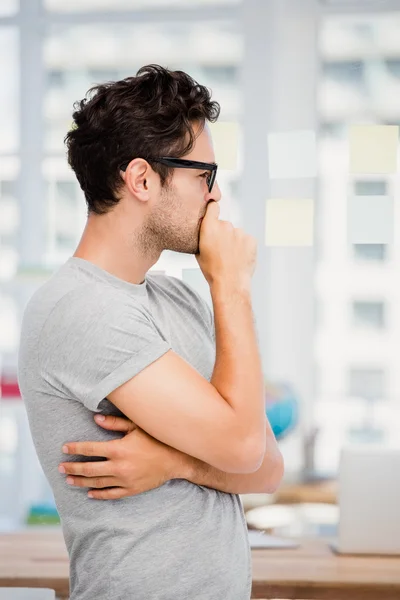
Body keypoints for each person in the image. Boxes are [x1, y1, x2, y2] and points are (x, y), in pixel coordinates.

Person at [18, 64, 284, 600]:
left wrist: (175, 463)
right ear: (142, 179)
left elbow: (266, 468)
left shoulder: (178, 299)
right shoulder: (80, 309)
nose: (214, 198)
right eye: (202, 175)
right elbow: (241, 447)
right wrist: (230, 284)